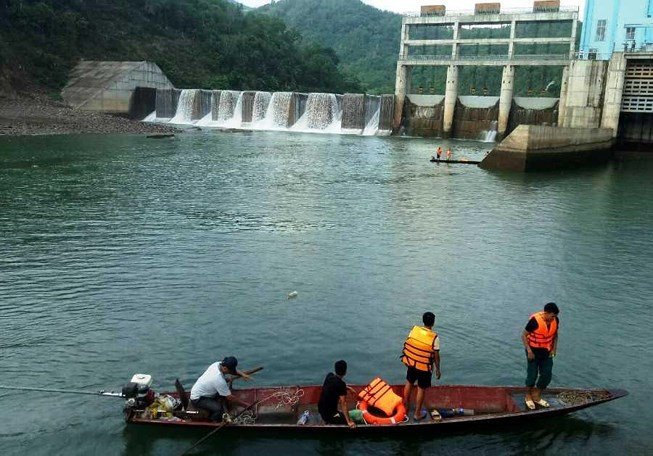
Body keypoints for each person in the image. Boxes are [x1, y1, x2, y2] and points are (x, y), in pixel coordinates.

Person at [401, 312, 441, 421]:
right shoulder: (434, 338)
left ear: (423, 321)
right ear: (433, 323)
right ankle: (417, 413)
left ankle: (406, 407)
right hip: (424, 367)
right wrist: (437, 369)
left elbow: (409, 343)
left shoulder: (414, 330)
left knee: (409, 382)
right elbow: (436, 356)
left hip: (412, 363)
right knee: (421, 389)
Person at [521, 302, 560, 410]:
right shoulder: (534, 322)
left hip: (547, 352)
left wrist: (554, 348)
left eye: (555, 316)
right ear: (546, 313)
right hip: (533, 352)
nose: (553, 318)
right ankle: (528, 395)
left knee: (547, 375)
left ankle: (536, 395)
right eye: (552, 316)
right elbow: (523, 335)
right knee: (532, 375)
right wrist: (529, 351)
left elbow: (555, 335)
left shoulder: (555, 320)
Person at [189, 356, 252, 421]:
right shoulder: (218, 379)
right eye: (230, 371)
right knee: (219, 409)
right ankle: (212, 421)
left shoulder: (217, 364)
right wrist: (246, 405)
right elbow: (230, 397)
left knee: (224, 393)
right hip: (198, 398)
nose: (231, 372)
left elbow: (234, 371)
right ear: (225, 368)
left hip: (204, 390)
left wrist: (242, 374)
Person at [318, 360, 356, 428]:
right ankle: (329, 421)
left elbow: (335, 385)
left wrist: (348, 388)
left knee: (341, 413)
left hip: (321, 409)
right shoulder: (341, 385)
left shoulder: (329, 375)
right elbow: (343, 403)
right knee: (352, 420)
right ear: (345, 372)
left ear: (335, 370)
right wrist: (349, 422)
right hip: (328, 416)